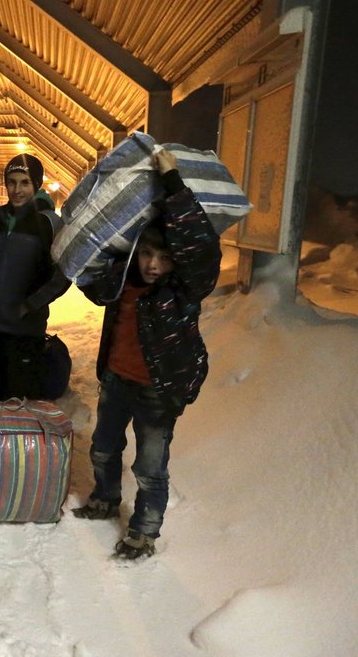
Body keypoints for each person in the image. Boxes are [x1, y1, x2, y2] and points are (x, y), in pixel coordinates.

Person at [72, 148, 222, 560]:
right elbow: (87, 275)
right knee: (103, 448)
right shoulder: (121, 280)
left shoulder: (183, 289)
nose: (153, 265)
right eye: (147, 254)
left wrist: (173, 184)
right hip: (117, 381)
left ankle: (144, 530)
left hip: (158, 390)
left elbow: (201, 248)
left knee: (150, 468)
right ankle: (105, 499)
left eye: (163, 257)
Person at [0, 154, 71, 399]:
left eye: (24, 183)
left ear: (36, 185)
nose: (17, 190)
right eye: (12, 182)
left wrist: (31, 304)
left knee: (17, 399)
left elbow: (65, 274)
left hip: (24, 330)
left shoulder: (49, 223)